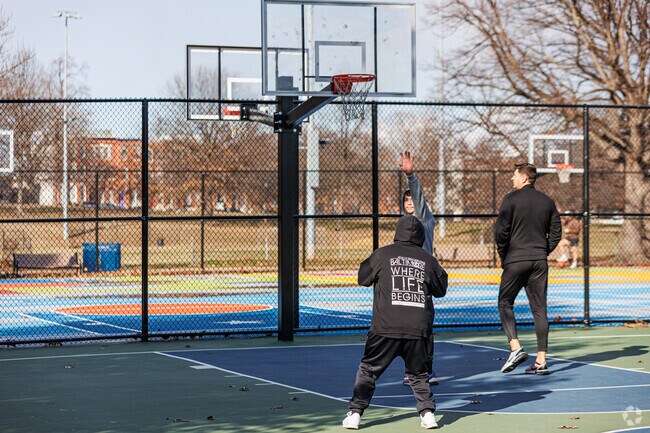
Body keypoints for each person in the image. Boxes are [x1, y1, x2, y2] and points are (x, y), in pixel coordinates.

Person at [342, 215, 448, 430]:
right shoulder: (428, 259)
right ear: (421, 235)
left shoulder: (382, 254)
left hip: (385, 327)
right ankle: (428, 415)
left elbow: (363, 278)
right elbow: (441, 289)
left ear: (397, 232)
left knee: (369, 370)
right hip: (418, 329)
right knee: (418, 374)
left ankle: (355, 414)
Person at [494, 163, 561, 375]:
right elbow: (556, 232)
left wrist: (506, 257)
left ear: (524, 178)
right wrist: (542, 251)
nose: (512, 179)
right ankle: (541, 360)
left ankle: (515, 347)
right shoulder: (547, 201)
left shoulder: (510, 199)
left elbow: (500, 233)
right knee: (540, 309)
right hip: (539, 261)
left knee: (505, 302)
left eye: (514, 175)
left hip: (516, 260)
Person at [396, 151, 439, 386]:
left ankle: (427, 369)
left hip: (423, 281)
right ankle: (412, 369)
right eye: (406, 200)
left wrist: (410, 176)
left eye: (413, 199)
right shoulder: (403, 225)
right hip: (405, 281)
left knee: (423, 327)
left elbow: (419, 197)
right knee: (405, 328)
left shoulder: (425, 220)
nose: (410, 202)